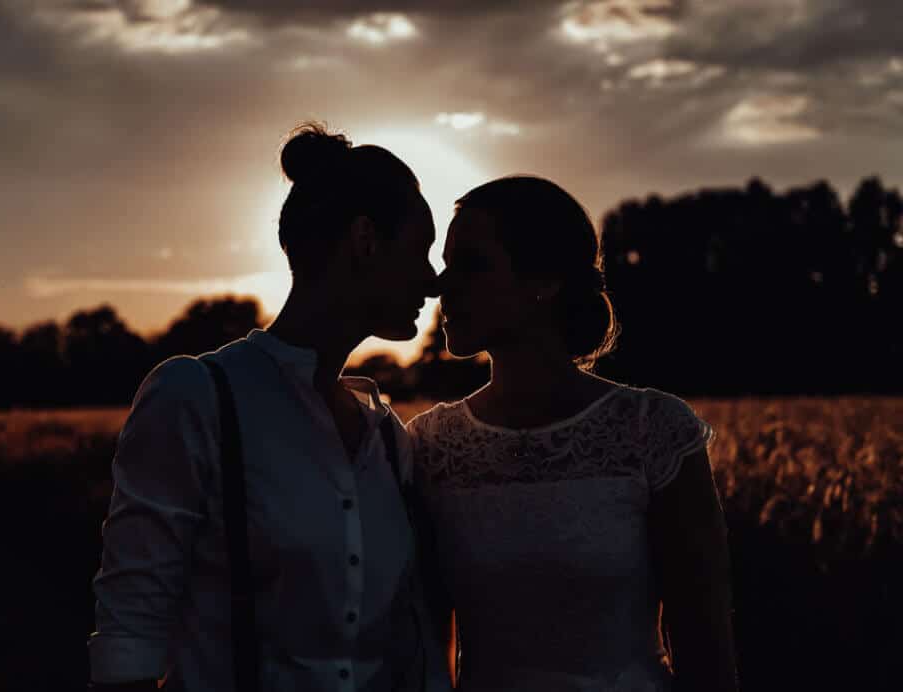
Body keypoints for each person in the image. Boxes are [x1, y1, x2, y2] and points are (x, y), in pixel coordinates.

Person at [87, 122, 452, 692]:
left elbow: (412, 645)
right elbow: (129, 637)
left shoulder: (386, 436)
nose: (433, 283)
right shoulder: (197, 396)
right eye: (421, 250)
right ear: (364, 241)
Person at [407, 176, 738, 692]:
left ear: (545, 281)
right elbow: (427, 647)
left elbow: (705, 646)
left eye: (471, 264)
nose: (441, 286)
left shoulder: (652, 431)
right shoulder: (431, 445)